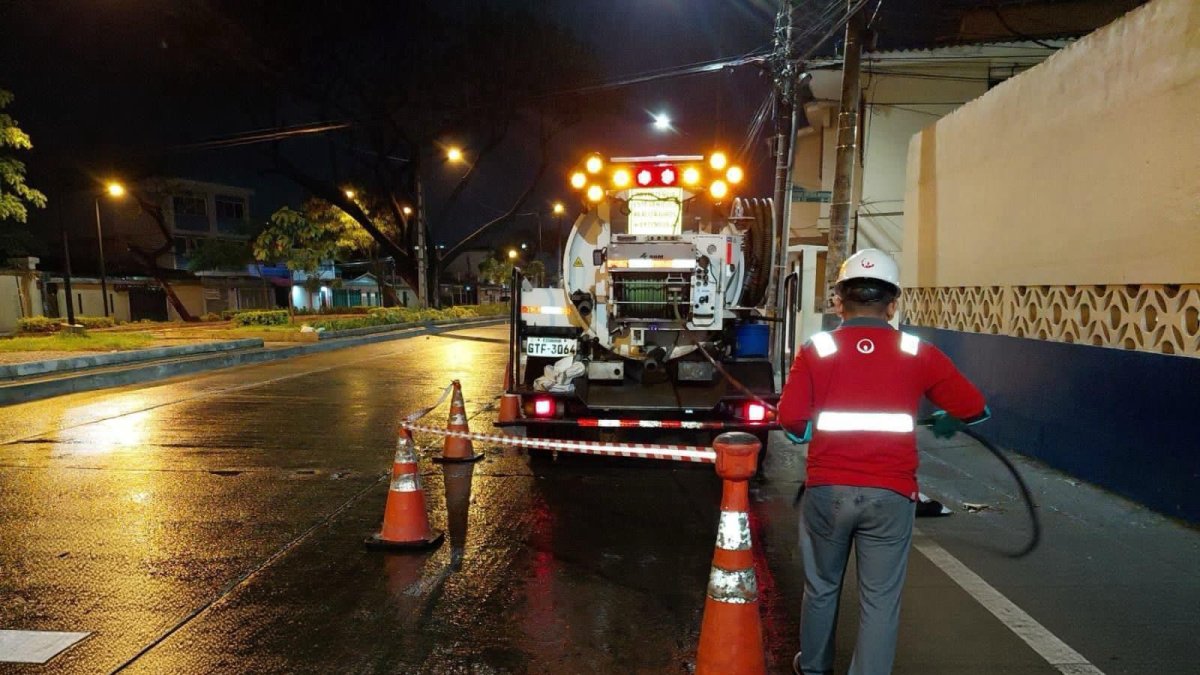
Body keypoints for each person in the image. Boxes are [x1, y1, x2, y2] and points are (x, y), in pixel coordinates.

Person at [778, 248, 989, 675]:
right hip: (891, 495)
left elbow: (792, 420)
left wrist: (815, 433)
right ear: (893, 304)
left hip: (828, 492)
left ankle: (814, 669)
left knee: (821, 587)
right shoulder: (917, 351)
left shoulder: (816, 349)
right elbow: (974, 407)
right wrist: (947, 420)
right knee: (880, 600)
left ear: (839, 301)